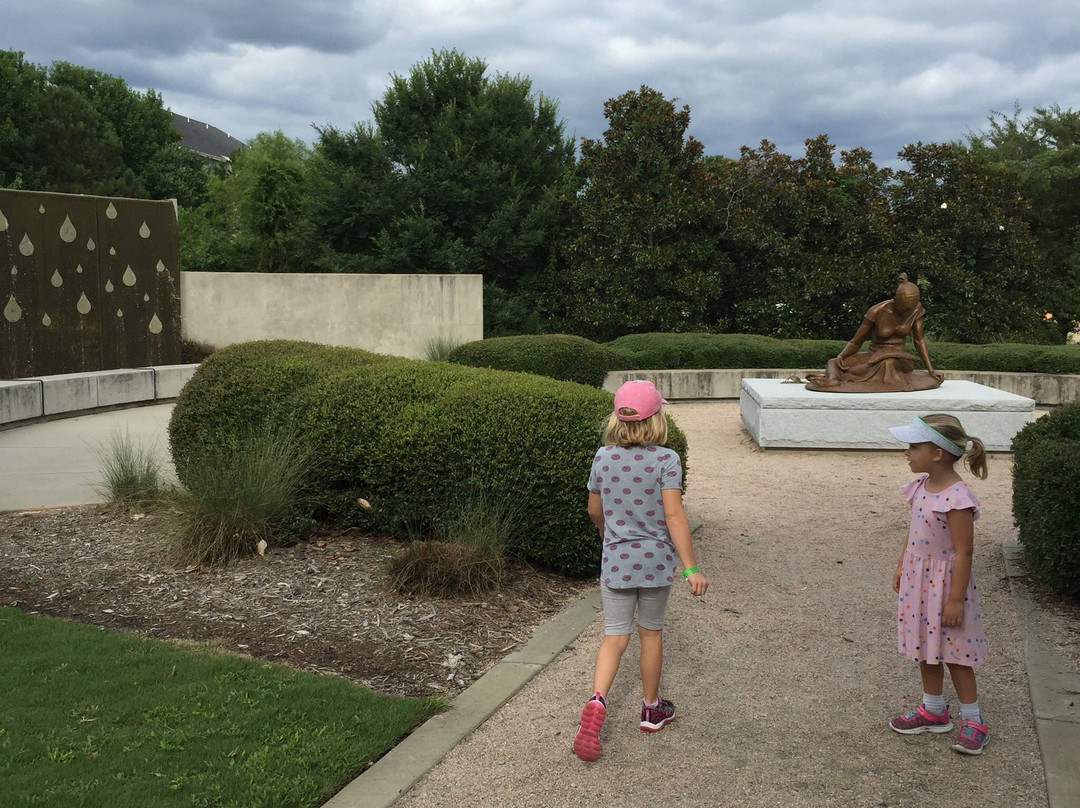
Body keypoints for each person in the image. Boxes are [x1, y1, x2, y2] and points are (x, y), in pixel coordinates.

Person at [573, 380, 708, 762]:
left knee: (614, 637)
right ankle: (651, 709)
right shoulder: (666, 460)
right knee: (650, 634)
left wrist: (608, 537)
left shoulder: (603, 457)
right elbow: (673, 514)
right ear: (656, 418)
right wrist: (691, 568)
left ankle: (597, 700)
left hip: (616, 561)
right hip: (654, 563)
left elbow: (594, 511)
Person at [886, 413, 990, 755]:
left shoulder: (957, 497)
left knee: (956, 654)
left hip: (946, 587)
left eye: (914, 447)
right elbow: (913, 531)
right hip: (919, 583)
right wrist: (903, 563)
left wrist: (956, 600)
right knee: (924, 648)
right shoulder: (920, 487)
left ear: (937, 453)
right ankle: (934, 709)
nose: (907, 453)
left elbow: (964, 551)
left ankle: (973, 721)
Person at [805, 274, 944, 393]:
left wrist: (931, 370)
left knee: (887, 363)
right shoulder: (876, 312)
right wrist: (841, 357)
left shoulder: (916, 310)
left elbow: (919, 341)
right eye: (903, 308)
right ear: (895, 300)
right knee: (834, 361)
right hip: (873, 354)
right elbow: (856, 342)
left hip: (899, 358)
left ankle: (834, 376)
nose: (906, 312)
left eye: (910, 309)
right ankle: (832, 379)